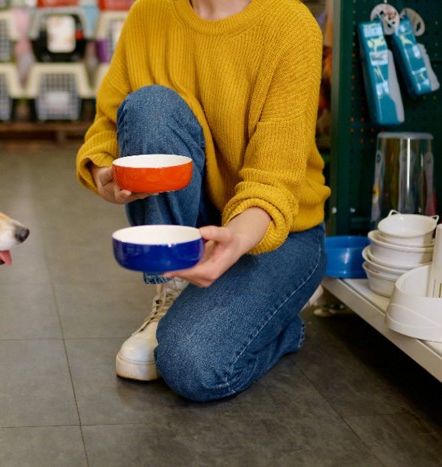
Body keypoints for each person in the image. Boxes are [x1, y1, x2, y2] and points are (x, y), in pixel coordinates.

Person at [75, 0, 331, 402]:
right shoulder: (149, 13)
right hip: (197, 222)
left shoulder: (291, 24)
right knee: (149, 107)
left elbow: (274, 181)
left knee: (191, 366)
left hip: (277, 233)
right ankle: (172, 287)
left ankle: (282, 328)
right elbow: (110, 125)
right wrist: (105, 174)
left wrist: (235, 239)